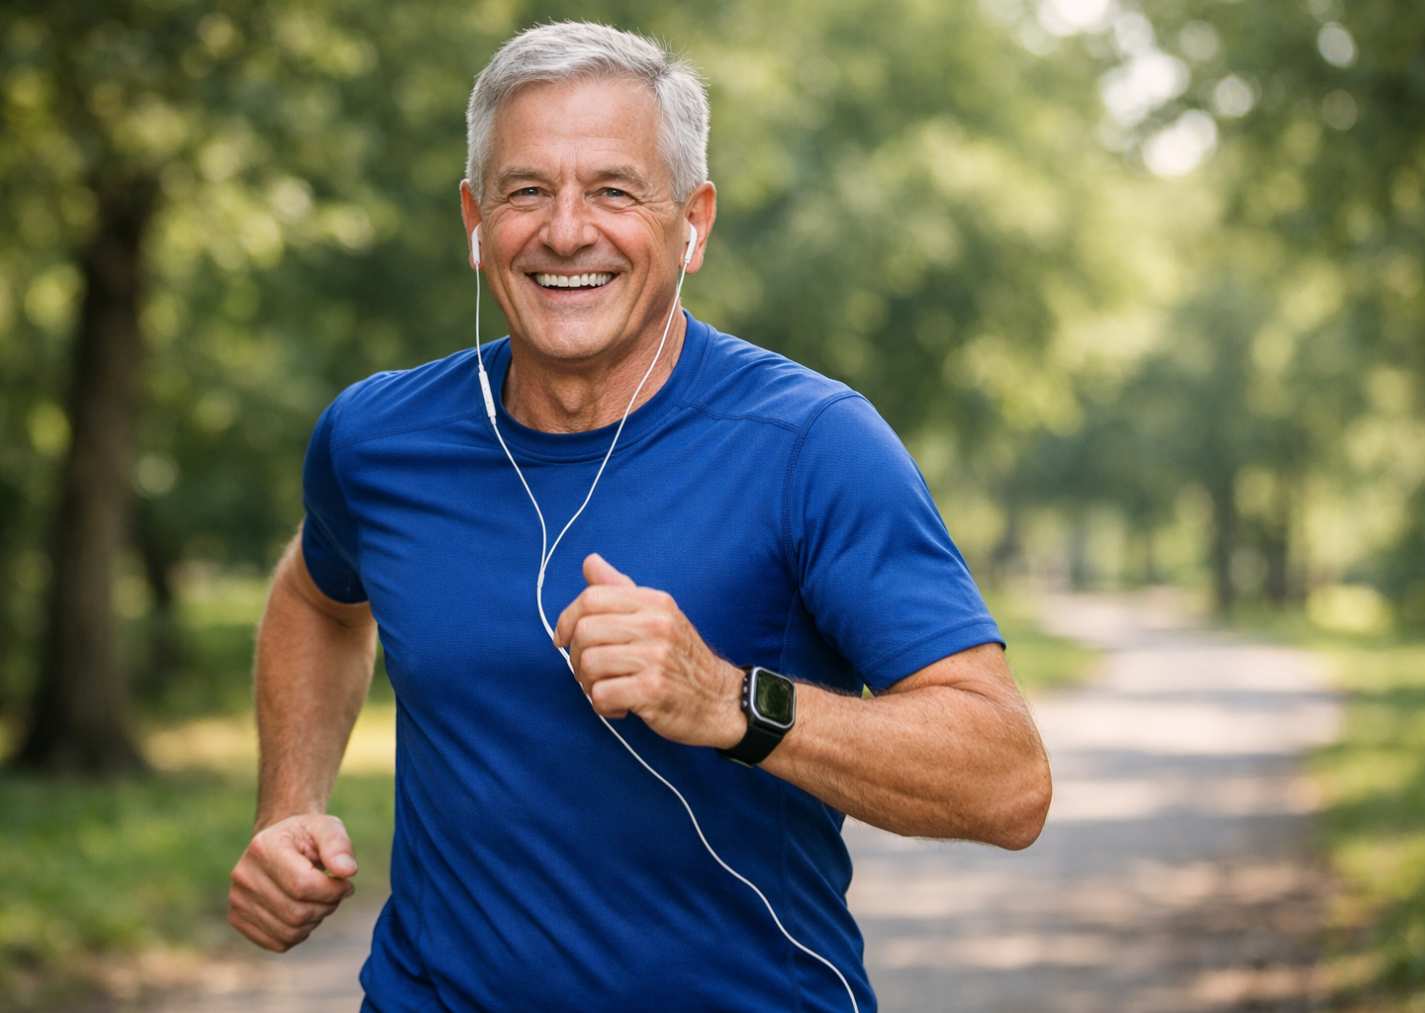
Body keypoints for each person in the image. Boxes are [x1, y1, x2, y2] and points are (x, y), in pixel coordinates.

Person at [228, 20, 1051, 1012]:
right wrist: (288, 807)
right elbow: (320, 596)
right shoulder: (377, 437)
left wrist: (730, 702)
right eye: (525, 189)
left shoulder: (810, 443)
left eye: (613, 190)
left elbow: (1006, 781)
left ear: (692, 222)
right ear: (474, 220)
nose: (566, 230)